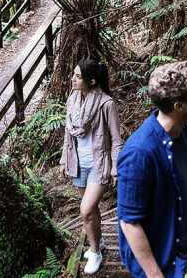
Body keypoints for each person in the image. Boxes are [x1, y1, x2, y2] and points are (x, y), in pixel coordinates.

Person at [117, 61, 187, 278]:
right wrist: (154, 274)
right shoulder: (139, 153)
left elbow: (182, 190)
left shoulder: (183, 131)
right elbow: (129, 222)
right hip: (157, 262)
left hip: (178, 253)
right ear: (179, 106)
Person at [59, 59, 123, 275]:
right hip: (78, 163)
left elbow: (116, 140)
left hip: (99, 164)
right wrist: (63, 159)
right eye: (74, 75)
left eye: (78, 76)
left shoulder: (106, 104)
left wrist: (115, 167)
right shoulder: (72, 100)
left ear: (92, 80)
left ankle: (95, 251)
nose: (73, 79)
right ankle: (100, 240)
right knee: (91, 209)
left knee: (85, 210)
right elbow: (68, 134)